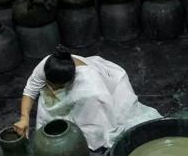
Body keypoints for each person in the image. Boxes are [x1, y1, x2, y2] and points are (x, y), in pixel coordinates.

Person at [14, 48, 161, 150]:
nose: (51, 89)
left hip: (110, 83)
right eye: (49, 83)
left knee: (95, 125)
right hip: (80, 84)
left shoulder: (92, 87)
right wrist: (24, 117)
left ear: (71, 81)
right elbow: (31, 89)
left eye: (56, 86)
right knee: (48, 100)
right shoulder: (49, 63)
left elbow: (101, 124)